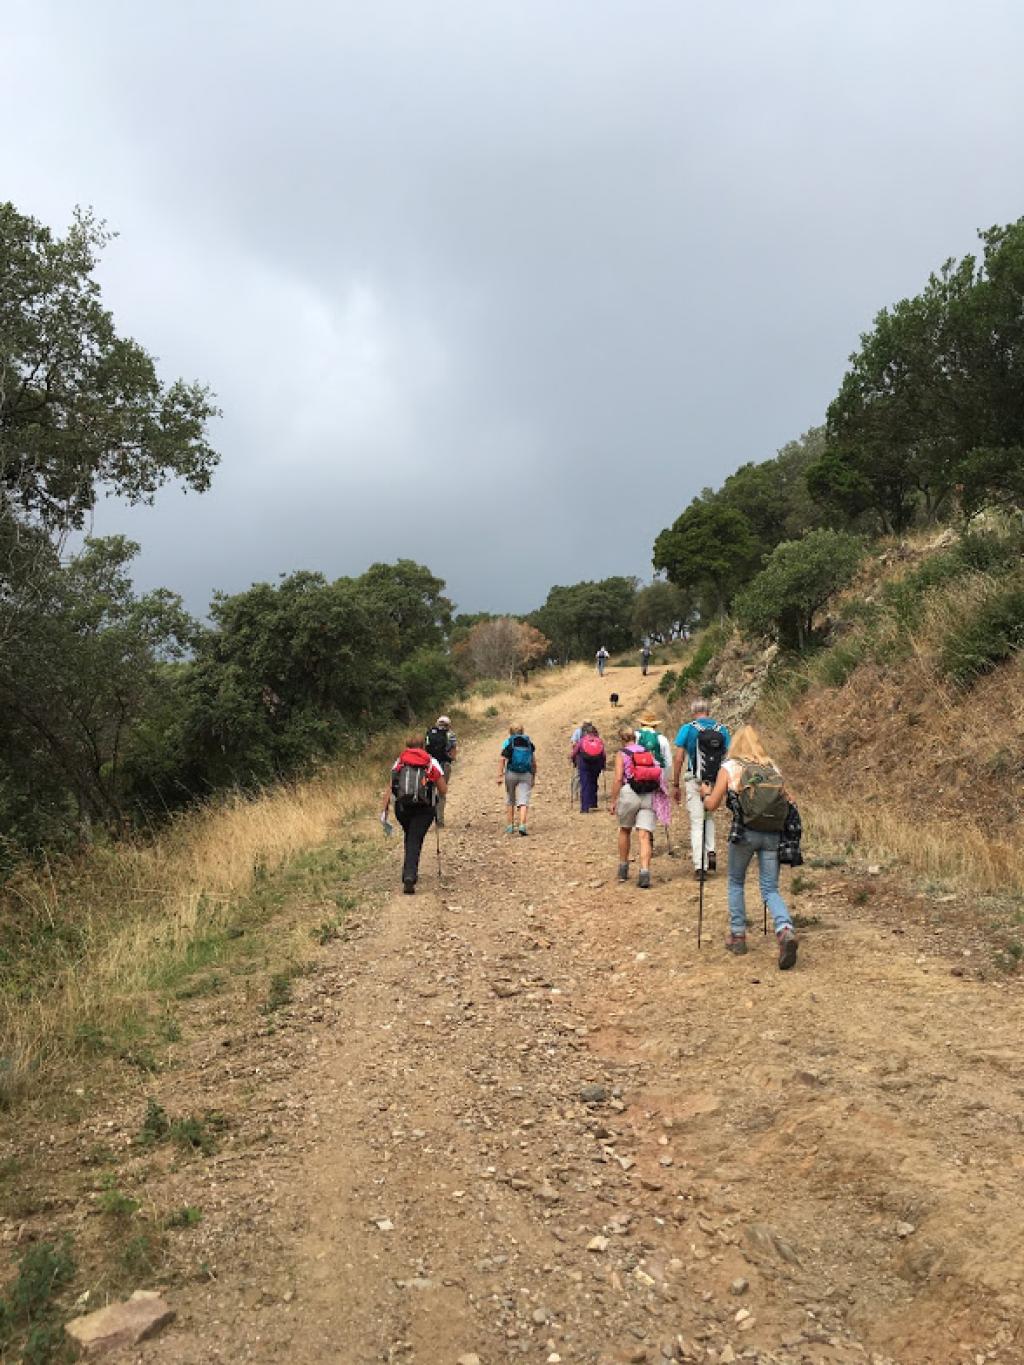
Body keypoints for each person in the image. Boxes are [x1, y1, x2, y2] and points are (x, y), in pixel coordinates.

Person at [700, 724, 798, 969]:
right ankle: (785, 929)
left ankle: (738, 936)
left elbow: (712, 805)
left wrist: (705, 793)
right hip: (772, 834)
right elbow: (790, 800)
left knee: (736, 882)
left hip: (743, 833)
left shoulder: (730, 767)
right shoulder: (772, 768)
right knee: (770, 888)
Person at [672, 699, 730, 881]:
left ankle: (700, 866)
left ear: (693, 711)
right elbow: (728, 757)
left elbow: (679, 758)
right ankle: (711, 849)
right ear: (708, 711)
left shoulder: (687, 729)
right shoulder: (722, 729)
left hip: (694, 780)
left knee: (697, 823)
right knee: (709, 816)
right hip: (715, 781)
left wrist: (675, 783)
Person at [382, 739, 448, 895]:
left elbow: (391, 786)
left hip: (402, 807)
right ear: (423, 747)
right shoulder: (431, 762)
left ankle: (408, 870)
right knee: (414, 838)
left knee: (411, 835)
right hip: (424, 808)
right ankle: (409, 876)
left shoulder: (400, 761)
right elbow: (443, 789)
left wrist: (384, 809)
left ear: (407, 747)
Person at [609, 726, 661, 888]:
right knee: (644, 835)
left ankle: (623, 868)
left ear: (621, 739)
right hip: (648, 793)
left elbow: (618, 778)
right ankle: (644, 872)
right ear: (635, 737)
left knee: (625, 829)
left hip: (629, 793)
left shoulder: (622, 754)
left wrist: (613, 800)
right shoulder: (647, 752)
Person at [635, 712, 673, 834]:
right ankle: (649, 829)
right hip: (656, 777)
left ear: (641, 724)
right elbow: (668, 762)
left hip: (638, 777)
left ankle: (643, 830)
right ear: (655, 725)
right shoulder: (662, 739)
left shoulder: (635, 736)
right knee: (652, 804)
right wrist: (664, 779)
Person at [499, 724, 536, 836]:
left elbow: (502, 758)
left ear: (510, 732)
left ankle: (510, 826)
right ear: (522, 731)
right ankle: (522, 825)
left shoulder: (508, 742)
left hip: (511, 773)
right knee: (523, 800)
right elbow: (533, 762)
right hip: (526, 774)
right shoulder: (528, 743)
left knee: (510, 799)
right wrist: (533, 776)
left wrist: (500, 774)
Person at [424, 715, 457, 828]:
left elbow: (425, 749)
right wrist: (451, 758)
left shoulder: (429, 733)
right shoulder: (451, 735)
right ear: (449, 725)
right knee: (441, 793)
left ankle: (428, 818)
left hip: (430, 766)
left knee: (430, 791)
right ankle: (440, 820)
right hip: (444, 765)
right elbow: (453, 751)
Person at [572, 722, 606, 813]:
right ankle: (593, 803)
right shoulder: (599, 741)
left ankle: (585, 807)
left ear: (586, 732)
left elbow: (575, 752)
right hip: (597, 764)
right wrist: (603, 764)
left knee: (585, 784)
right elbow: (603, 754)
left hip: (584, 764)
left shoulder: (582, 740)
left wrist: (573, 761)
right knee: (593, 782)